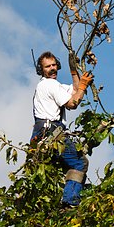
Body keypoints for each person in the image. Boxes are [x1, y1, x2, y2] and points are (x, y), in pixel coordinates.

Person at [31, 51, 94, 207]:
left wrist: (74, 71)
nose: (52, 69)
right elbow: (73, 103)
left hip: (42, 133)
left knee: (56, 170)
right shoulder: (49, 84)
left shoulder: (51, 85)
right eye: (48, 66)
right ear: (41, 69)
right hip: (52, 132)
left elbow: (74, 90)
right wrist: (84, 86)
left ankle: (54, 204)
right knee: (80, 163)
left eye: (54, 65)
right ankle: (70, 202)